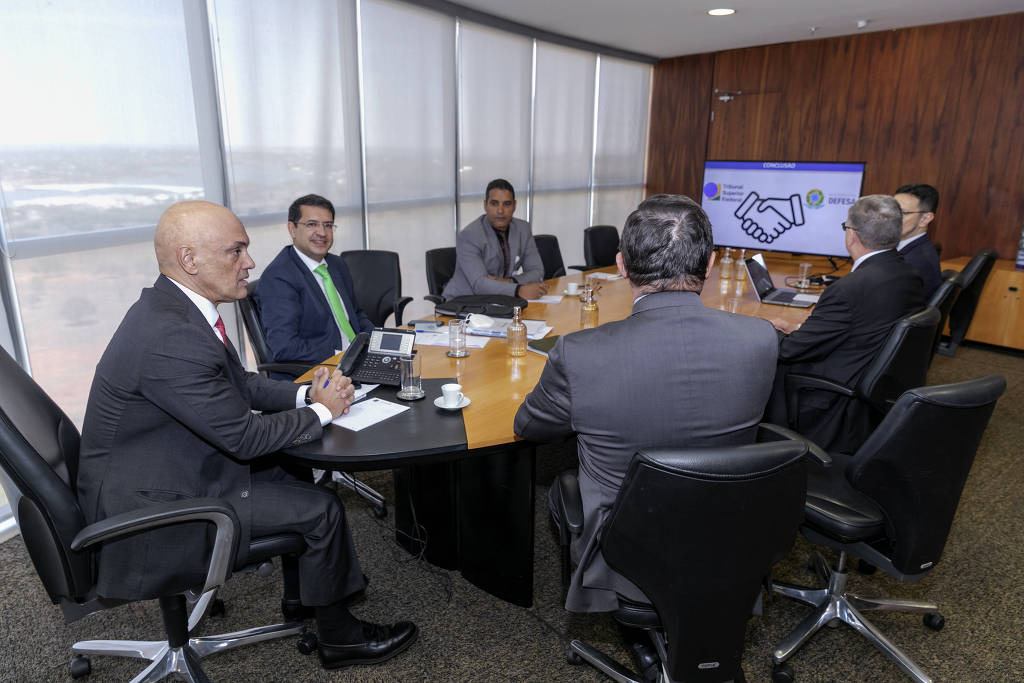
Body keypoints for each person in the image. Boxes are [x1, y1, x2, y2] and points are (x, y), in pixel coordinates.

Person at [76, 201, 417, 670]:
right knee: (322, 508)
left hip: (161, 465)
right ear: (190, 259)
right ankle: (341, 640)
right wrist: (323, 411)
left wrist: (303, 395)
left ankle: (306, 597)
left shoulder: (177, 310)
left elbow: (242, 385)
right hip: (154, 506)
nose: (249, 263)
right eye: (235, 252)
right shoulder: (171, 336)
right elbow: (243, 438)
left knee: (297, 470)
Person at [514, 194, 779, 615]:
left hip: (623, 552)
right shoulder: (761, 338)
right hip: (727, 533)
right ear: (709, 265)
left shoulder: (579, 352)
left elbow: (528, 427)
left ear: (621, 267)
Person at [767, 194, 926, 454]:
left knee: (766, 355)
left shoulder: (848, 289)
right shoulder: (908, 274)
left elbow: (790, 350)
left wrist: (768, 331)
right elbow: (861, 324)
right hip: (873, 380)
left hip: (834, 396)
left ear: (852, 235)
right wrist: (800, 329)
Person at [254, 194, 374, 369]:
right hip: (318, 372)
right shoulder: (279, 277)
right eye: (311, 224)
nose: (322, 233)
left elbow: (356, 315)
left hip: (354, 362)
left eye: (328, 225)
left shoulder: (336, 264)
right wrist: (343, 356)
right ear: (292, 229)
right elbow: (285, 347)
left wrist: (382, 342)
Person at [442, 178, 548, 300]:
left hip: (501, 301)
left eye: (507, 204)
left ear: (514, 206)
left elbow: (537, 271)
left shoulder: (522, 229)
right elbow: (480, 284)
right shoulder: (469, 235)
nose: (500, 210)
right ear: (485, 205)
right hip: (464, 303)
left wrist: (509, 281)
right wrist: (519, 290)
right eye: (494, 203)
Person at [894, 183, 942, 298]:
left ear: (925, 219)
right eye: (891, 211)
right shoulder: (911, 250)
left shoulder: (914, 265)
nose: (892, 218)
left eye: (903, 213)